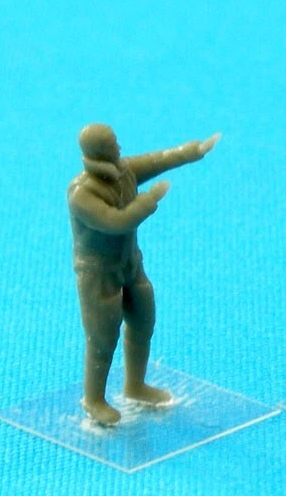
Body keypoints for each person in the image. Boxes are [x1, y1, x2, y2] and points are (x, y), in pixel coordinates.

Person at [68, 123, 218, 425]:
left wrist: (191, 151)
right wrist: (150, 199)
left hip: (130, 263)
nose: (119, 147)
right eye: (112, 143)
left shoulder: (124, 170)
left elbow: (157, 160)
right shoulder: (82, 194)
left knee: (143, 321)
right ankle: (94, 400)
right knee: (102, 337)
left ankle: (135, 385)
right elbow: (116, 221)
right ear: (99, 151)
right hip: (98, 274)